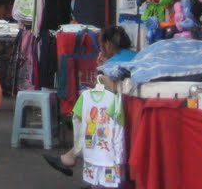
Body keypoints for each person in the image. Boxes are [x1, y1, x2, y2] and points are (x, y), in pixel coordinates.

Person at [43, 25, 136, 178]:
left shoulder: (112, 64)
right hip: (130, 107)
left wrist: (101, 67)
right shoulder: (133, 55)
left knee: (86, 114)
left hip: (120, 113)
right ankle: (73, 157)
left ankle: (74, 157)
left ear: (107, 45)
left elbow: (106, 89)